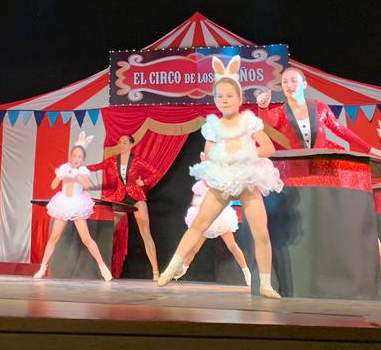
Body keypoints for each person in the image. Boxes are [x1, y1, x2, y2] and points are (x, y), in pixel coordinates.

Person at [257, 66, 381, 298]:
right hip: (296, 180)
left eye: (293, 80)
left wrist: (369, 148)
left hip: (325, 173)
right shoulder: (279, 112)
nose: (289, 85)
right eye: (285, 81)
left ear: (304, 84)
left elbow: (342, 131)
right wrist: (263, 107)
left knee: (355, 221)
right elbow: (266, 125)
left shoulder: (320, 108)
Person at [157, 55, 283, 298]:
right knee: (199, 224)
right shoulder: (213, 125)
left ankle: (266, 284)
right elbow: (207, 150)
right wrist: (218, 155)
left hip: (246, 177)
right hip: (223, 178)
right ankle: (172, 267)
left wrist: (246, 153)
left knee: (260, 231)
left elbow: (269, 148)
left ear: (239, 98)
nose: (224, 100)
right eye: (220, 96)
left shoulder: (250, 122)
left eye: (229, 96)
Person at [35, 132, 113, 281]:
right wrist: (59, 176)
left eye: (79, 157)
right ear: (70, 156)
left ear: (83, 159)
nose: (76, 159)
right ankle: (42, 268)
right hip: (63, 204)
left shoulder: (82, 171)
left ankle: (103, 267)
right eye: (74, 155)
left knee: (86, 239)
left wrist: (77, 176)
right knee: (53, 238)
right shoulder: (64, 168)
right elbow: (52, 186)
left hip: (77, 204)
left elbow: (87, 185)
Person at [87, 133, 161, 280]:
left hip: (136, 197)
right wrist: (77, 168)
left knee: (145, 233)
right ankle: (101, 268)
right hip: (121, 198)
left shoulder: (137, 161)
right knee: (109, 231)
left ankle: (156, 271)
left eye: (125, 142)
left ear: (131, 144)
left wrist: (144, 182)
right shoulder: (114, 160)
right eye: (120, 142)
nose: (121, 144)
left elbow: (156, 173)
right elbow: (97, 166)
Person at [175, 177, 251, 287]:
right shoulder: (199, 186)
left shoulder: (219, 183)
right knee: (194, 248)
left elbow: (226, 198)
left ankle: (247, 272)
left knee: (232, 246)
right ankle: (183, 269)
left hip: (219, 217)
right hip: (205, 219)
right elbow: (195, 203)